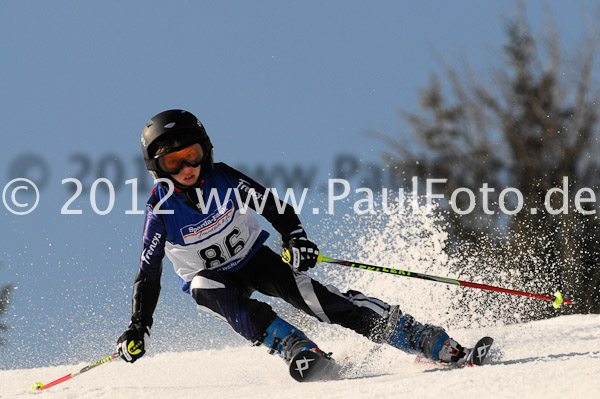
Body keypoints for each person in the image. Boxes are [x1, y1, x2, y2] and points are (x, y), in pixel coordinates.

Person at [117, 109, 472, 380]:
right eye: (173, 162)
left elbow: (275, 208)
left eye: (191, 154)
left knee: (319, 300)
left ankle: (418, 336)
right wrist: (138, 325)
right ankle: (292, 345)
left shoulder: (224, 178)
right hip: (213, 281)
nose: (186, 168)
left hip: (255, 259)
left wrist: (296, 238)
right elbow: (148, 275)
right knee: (204, 287)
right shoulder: (160, 211)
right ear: (157, 168)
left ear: (204, 151)